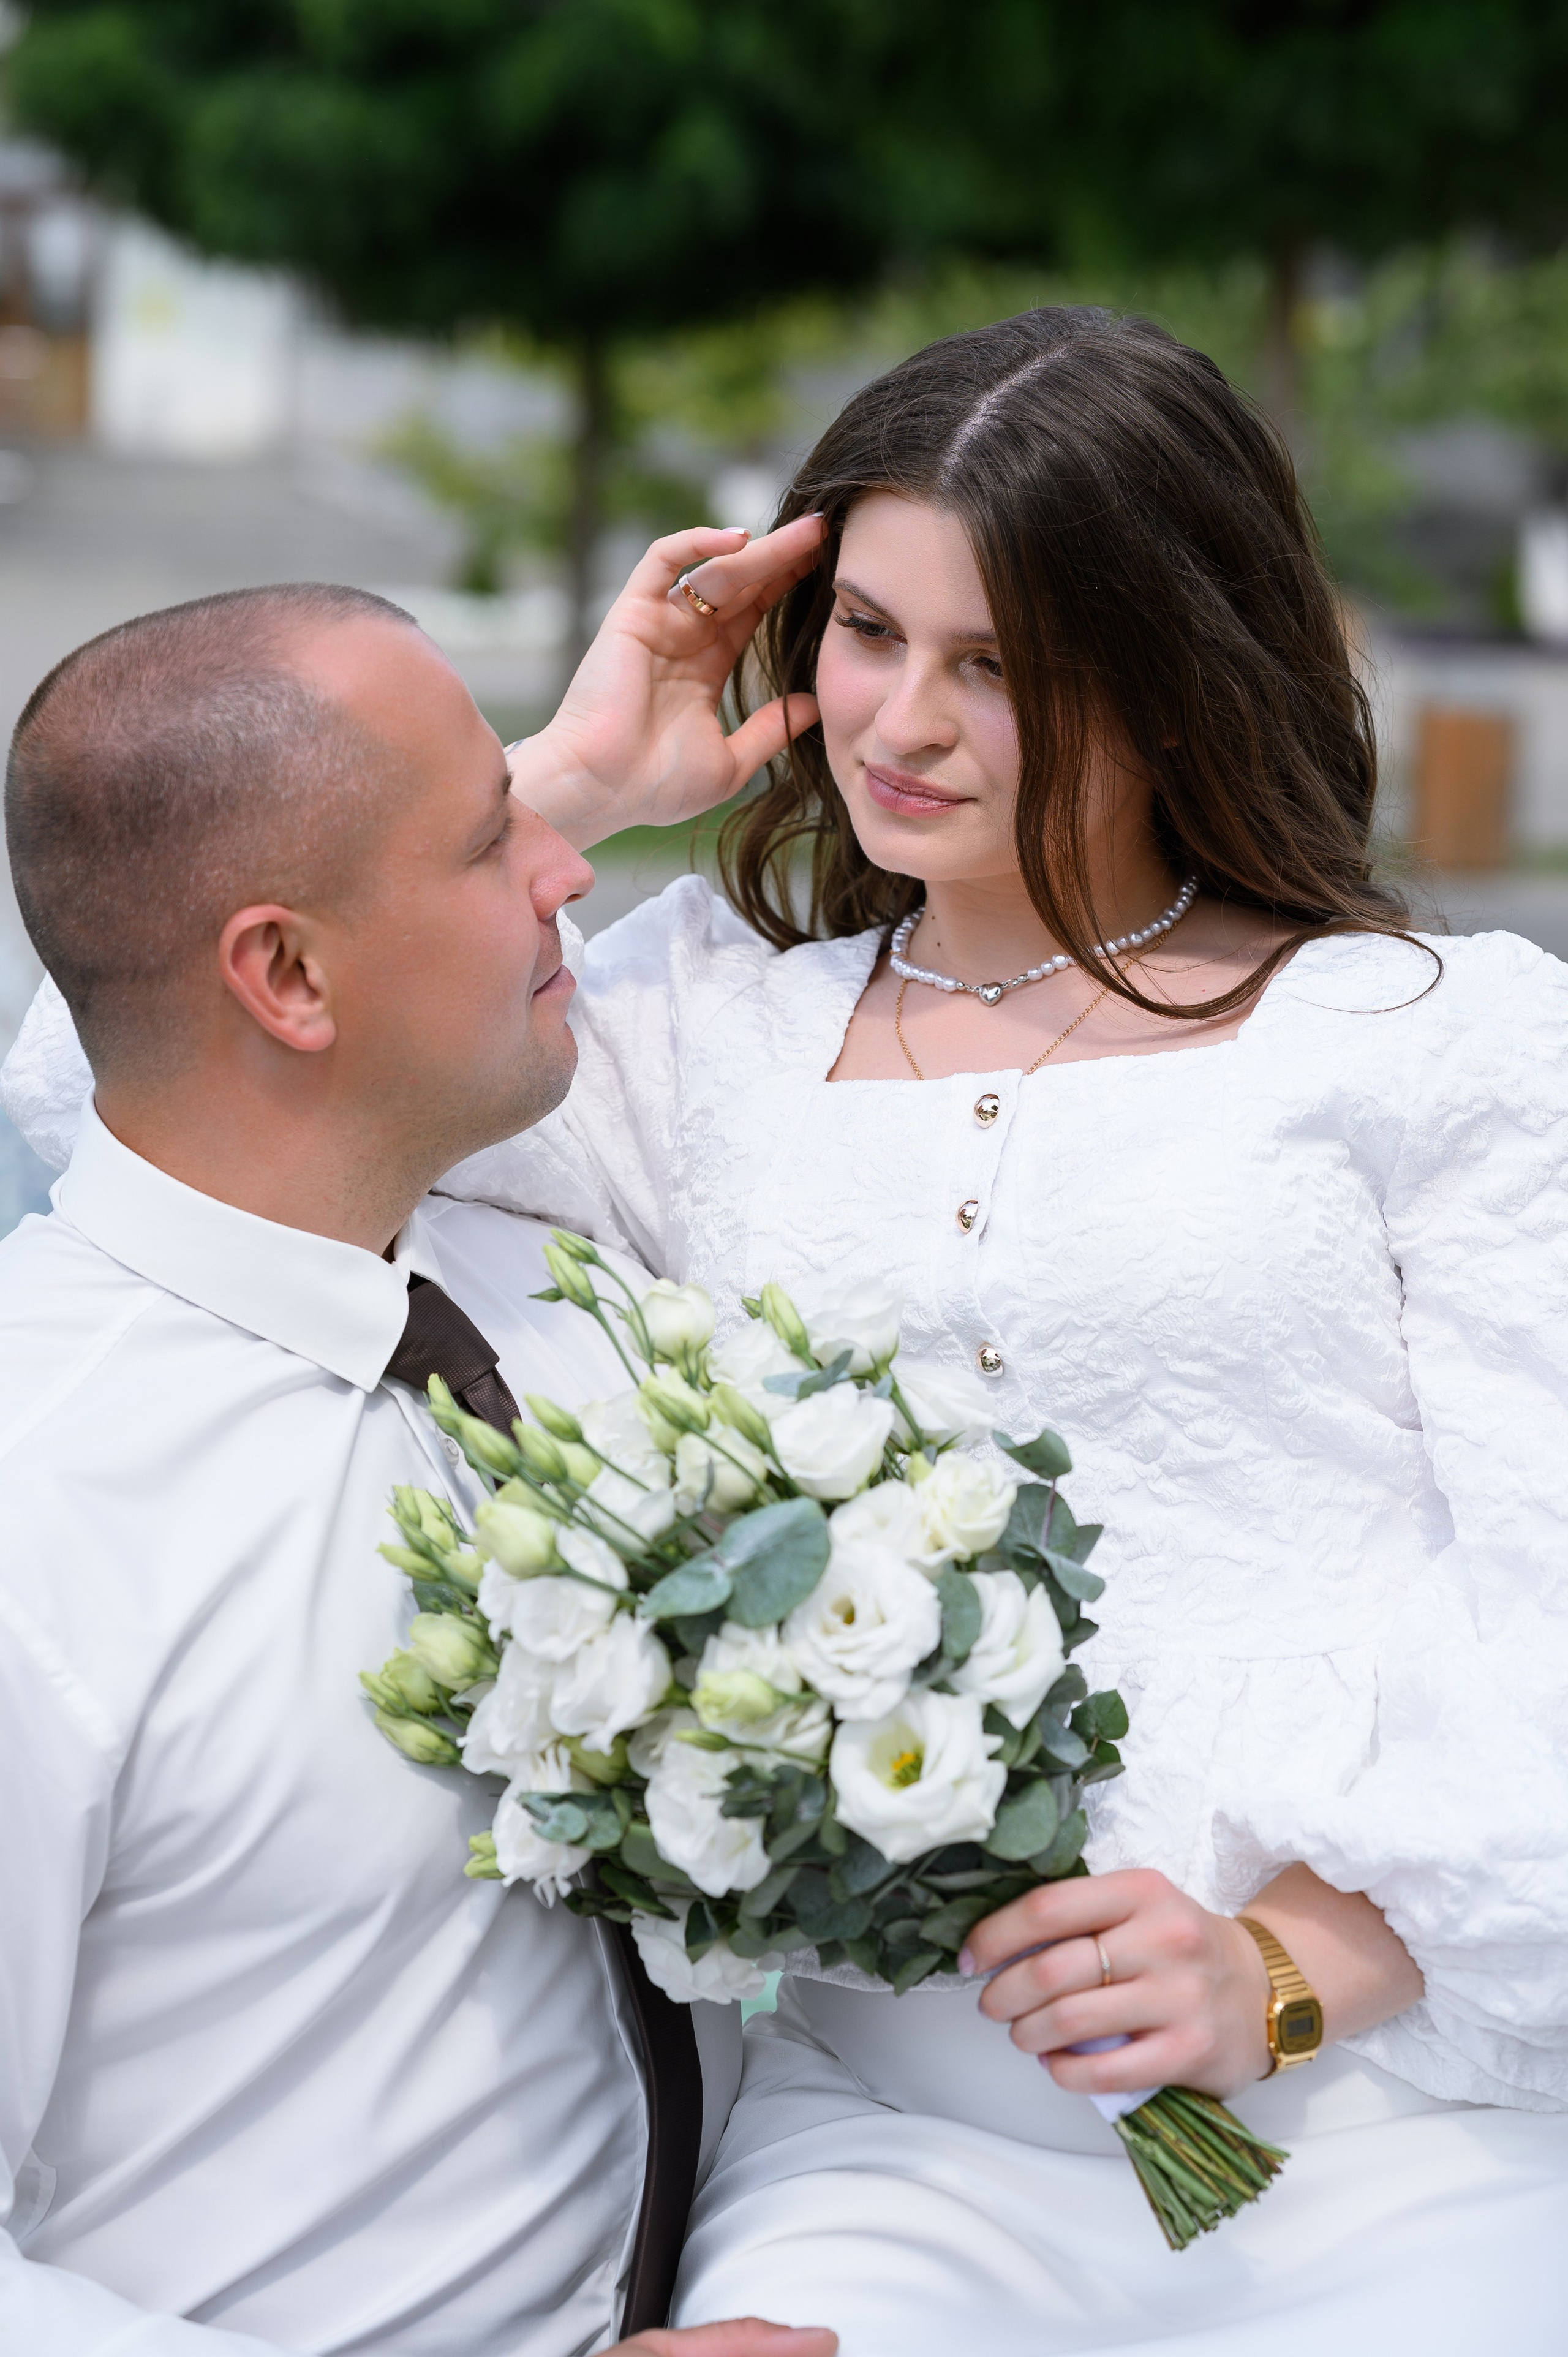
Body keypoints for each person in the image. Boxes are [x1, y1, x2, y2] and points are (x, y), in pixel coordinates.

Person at [422, 309, 1568, 2350]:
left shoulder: (1428, 1038)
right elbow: (162, 1077)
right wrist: (562, 782)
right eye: (865, 630)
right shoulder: (697, 1034)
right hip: (885, 2145)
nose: (901, 723)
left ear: (1172, 669)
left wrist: (1294, 1967)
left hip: (1385, 2134)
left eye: (1000, 666)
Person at [0, 579, 836, 2357]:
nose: (571, 869)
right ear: (289, 973)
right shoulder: (38, 1504)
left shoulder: (569, 1310)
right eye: (496, 837)